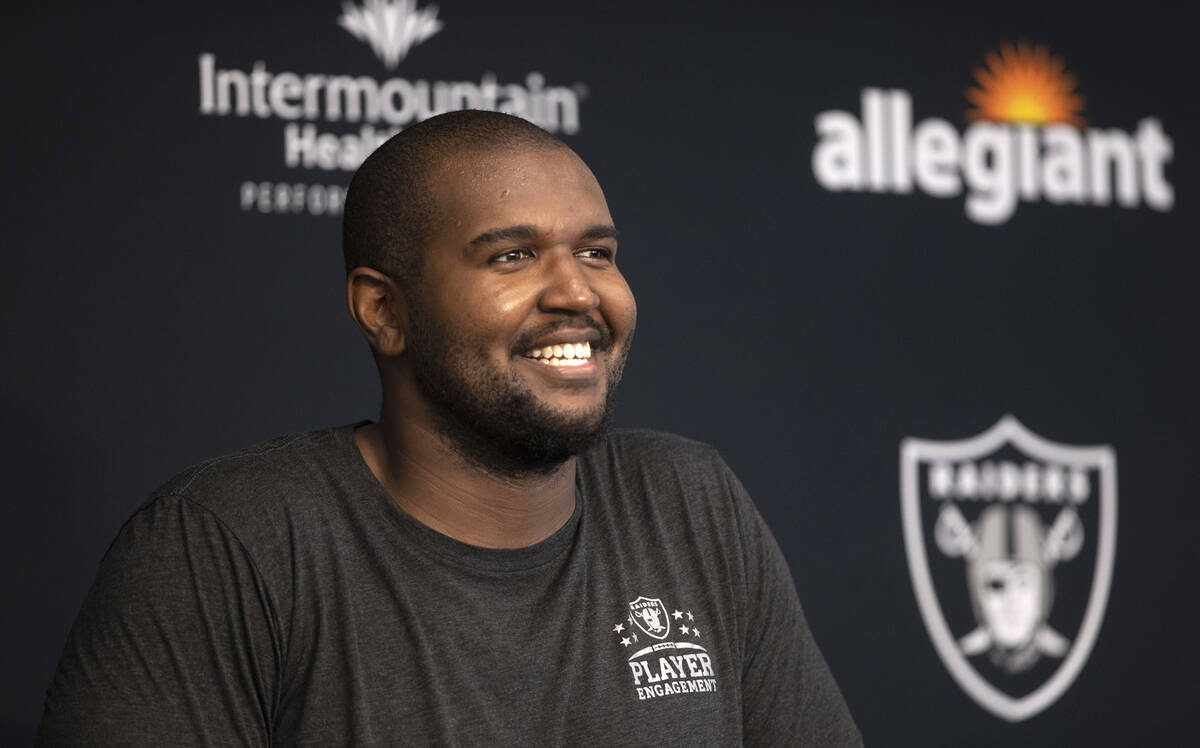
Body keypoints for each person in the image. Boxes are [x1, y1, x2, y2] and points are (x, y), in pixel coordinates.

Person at [37, 111, 862, 746]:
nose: (578, 292)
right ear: (384, 310)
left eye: (599, 253)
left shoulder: (691, 501)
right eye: (511, 256)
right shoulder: (221, 546)